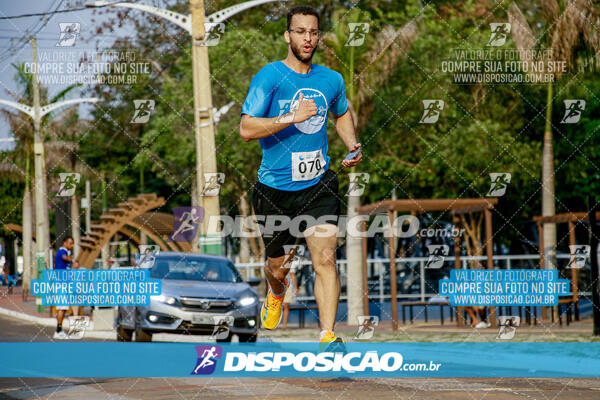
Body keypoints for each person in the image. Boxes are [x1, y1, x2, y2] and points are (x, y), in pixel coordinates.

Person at [240, 6, 362, 350]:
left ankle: (327, 336)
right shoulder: (270, 77)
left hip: (319, 184)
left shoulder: (331, 80)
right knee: (277, 267)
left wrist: (352, 143)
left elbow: (340, 115)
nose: (307, 38)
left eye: (313, 32)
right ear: (287, 36)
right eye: (300, 31)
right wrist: (291, 117)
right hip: (275, 190)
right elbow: (246, 129)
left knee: (325, 258)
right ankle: (277, 290)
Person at [53, 236, 79, 338]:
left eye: (72, 243)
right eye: (70, 243)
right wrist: (70, 259)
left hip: (64, 284)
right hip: (61, 284)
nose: (71, 245)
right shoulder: (62, 251)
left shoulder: (66, 253)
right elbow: (64, 257)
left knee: (63, 308)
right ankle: (58, 331)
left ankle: (59, 330)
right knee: (62, 308)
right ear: (64, 243)